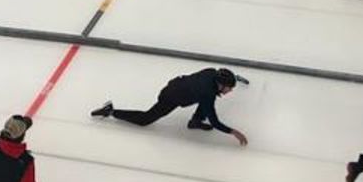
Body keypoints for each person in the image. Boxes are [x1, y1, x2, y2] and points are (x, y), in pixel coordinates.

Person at [91, 68, 249, 147]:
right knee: (145, 120)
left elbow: (220, 81)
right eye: (230, 88)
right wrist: (233, 132)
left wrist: (236, 78)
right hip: (171, 96)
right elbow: (214, 121)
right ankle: (110, 111)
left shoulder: (212, 73)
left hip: (179, 85)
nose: (230, 91)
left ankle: (194, 122)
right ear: (221, 85)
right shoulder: (207, 92)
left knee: (206, 102)